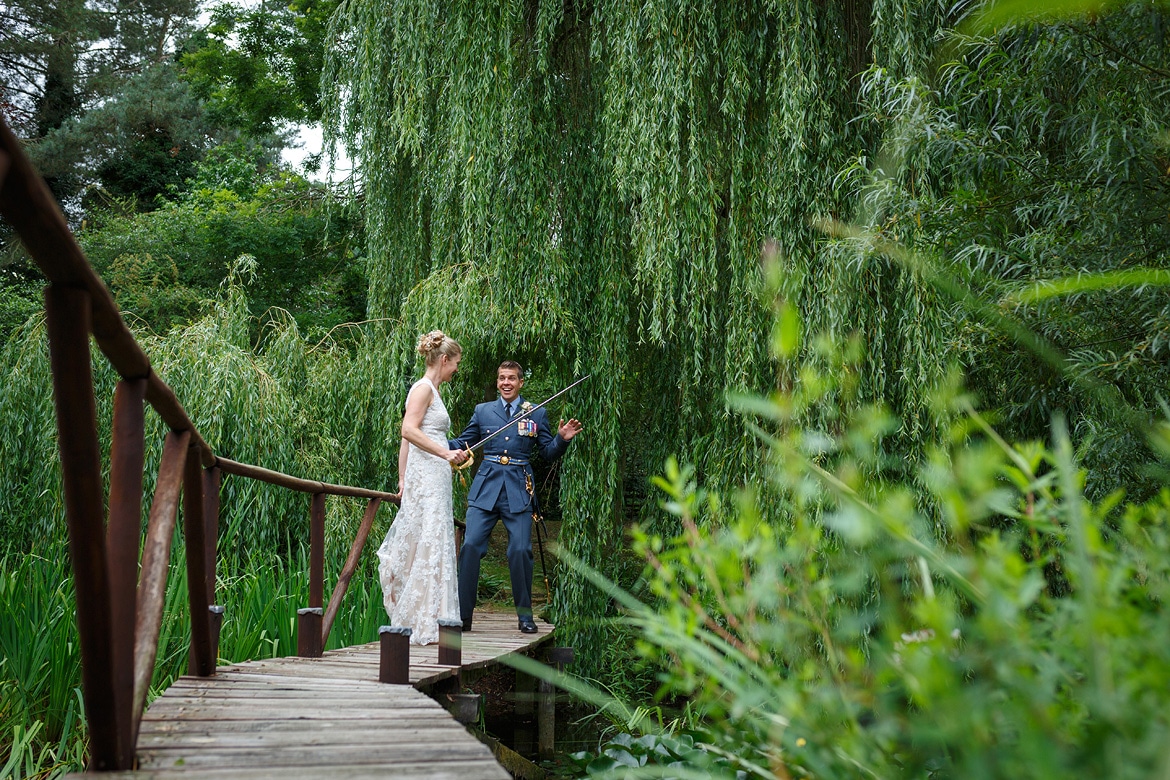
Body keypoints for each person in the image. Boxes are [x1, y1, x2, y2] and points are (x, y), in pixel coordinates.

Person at [449, 361, 583, 633]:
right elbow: (464, 442)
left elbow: (547, 452)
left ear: (521, 382)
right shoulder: (483, 411)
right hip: (486, 488)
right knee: (471, 546)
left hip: (519, 489)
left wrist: (562, 439)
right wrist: (433, 440)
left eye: (511, 378)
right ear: (498, 382)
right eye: (501, 378)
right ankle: (463, 616)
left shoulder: (536, 412)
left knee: (520, 550)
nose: (506, 383)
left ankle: (524, 617)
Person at [376, 330, 469, 645]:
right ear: (444, 360)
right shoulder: (423, 388)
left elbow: (408, 439)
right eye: (455, 363)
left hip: (431, 476)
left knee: (434, 540)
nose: (456, 368)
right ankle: (423, 619)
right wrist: (445, 453)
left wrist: (402, 478)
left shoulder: (433, 390)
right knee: (429, 539)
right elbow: (407, 429)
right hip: (428, 476)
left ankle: (432, 617)